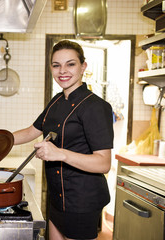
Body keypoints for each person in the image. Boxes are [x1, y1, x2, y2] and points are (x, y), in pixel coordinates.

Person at [12, 40, 114, 240]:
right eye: (56, 65)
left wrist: (60, 154)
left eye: (71, 64)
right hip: (58, 198)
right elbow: (30, 131)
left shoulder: (95, 106)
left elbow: (104, 163)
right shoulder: (56, 101)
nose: (62, 71)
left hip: (82, 201)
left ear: (83, 66)